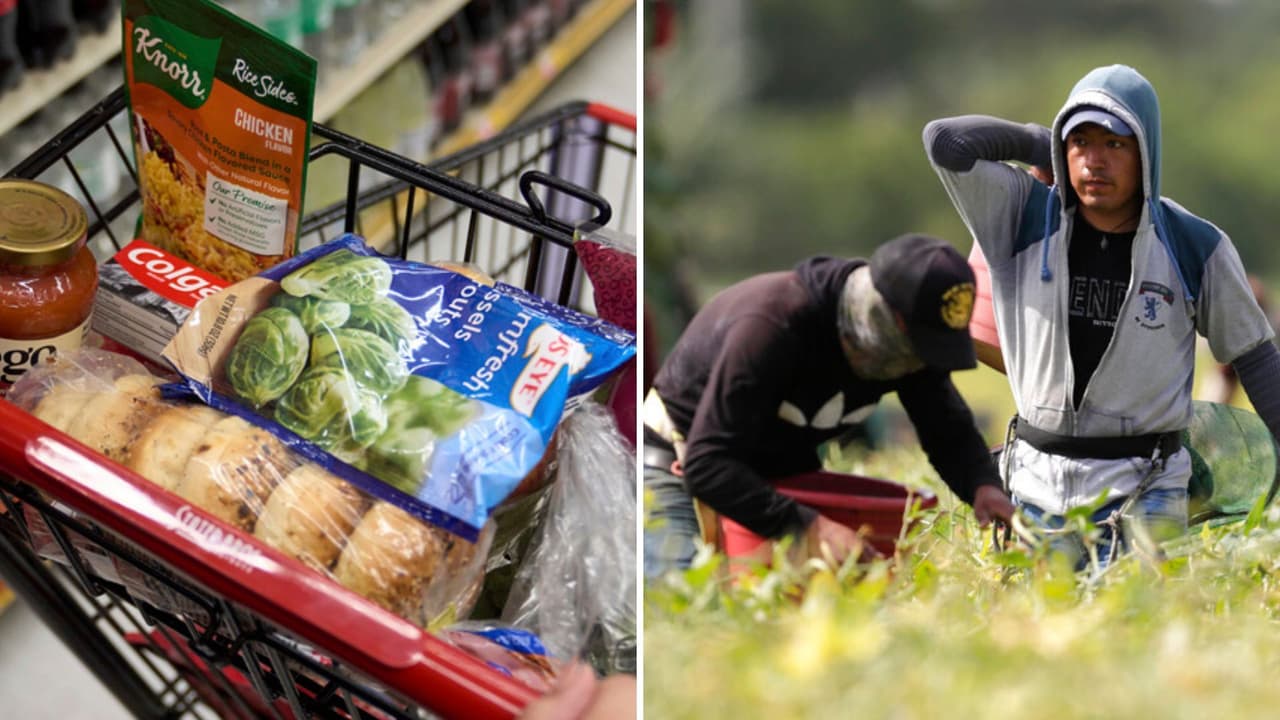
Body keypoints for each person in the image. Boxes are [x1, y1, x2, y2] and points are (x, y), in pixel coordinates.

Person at [923, 64, 1280, 567]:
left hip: (1146, 486)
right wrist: (1039, 143)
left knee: (1139, 630)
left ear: (1147, 153)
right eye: (1081, 143)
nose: (1094, 161)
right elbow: (945, 142)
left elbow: (1256, 359)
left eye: (1115, 144)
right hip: (1036, 484)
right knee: (1040, 633)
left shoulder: (1194, 245)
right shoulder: (1021, 215)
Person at [642, 233, 1016, 578]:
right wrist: (809, 527)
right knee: (681, 591)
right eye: (920, 349)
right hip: (680, 452)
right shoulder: (773, 325)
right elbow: (707, 464)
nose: (922, 366)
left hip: (768, 477)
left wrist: (983, 485)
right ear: (882, 318)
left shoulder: (911, 349)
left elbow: (945, 426)